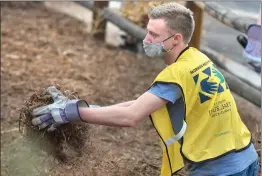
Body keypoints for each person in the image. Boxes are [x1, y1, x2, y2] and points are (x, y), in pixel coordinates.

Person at [31, 3, 259, 176]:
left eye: (154, 35)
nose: (146, 39)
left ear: (175, 39)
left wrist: (69, 112)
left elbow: (131, 116)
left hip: (219, 168)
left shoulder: (175, 74)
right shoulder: (198, 59)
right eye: (148, 31)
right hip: (247, 158)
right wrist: (80, 109)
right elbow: (140, 104)